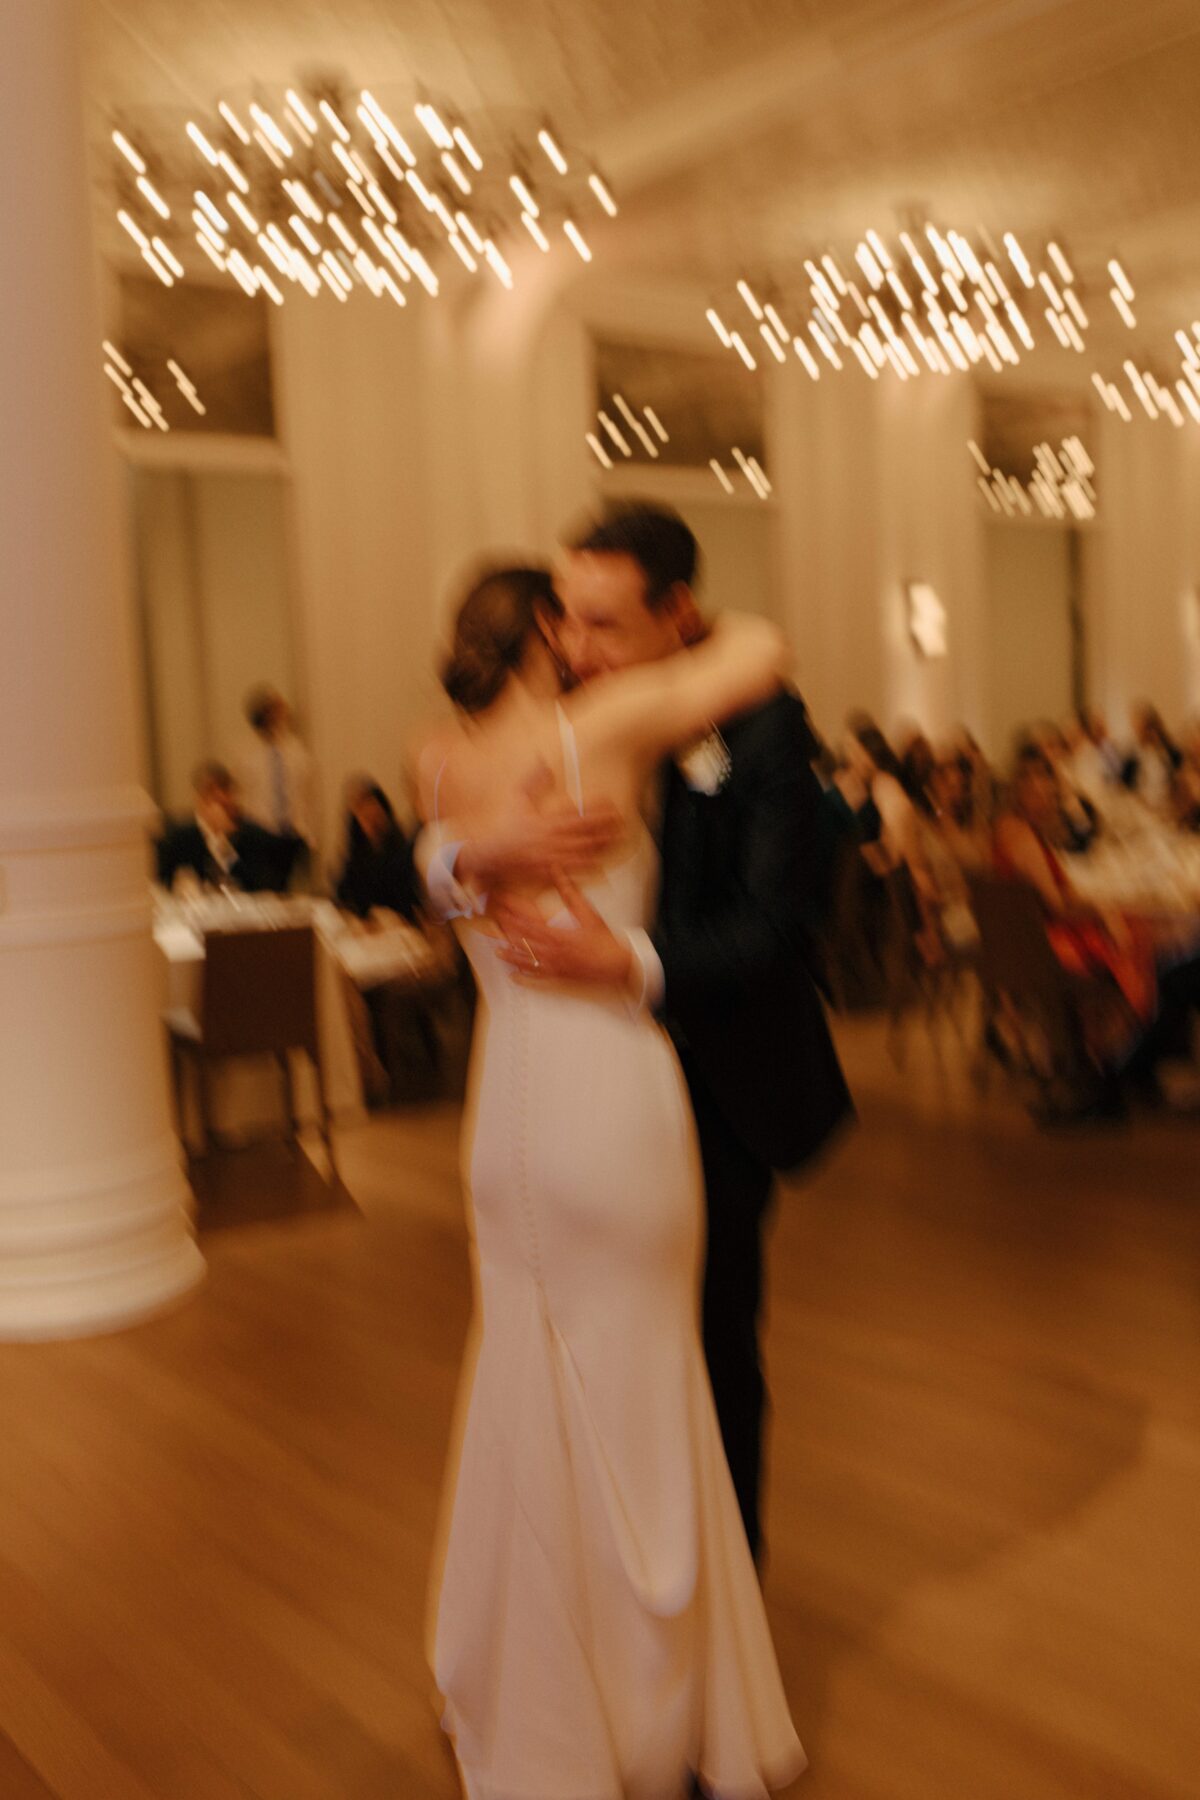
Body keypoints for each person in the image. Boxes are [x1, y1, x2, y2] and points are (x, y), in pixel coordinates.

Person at [418, 553, 810, 1797]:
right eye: (573, 619)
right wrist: (693, 622)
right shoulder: (605, 725)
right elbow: (764, 652)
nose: (590, 641)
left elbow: (434, 872)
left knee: (522, 1381)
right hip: (611, 1103)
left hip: (503, 1119)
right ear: (546, 629)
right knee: (648, 1386)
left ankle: (530, 1685)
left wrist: (471, 854)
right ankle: (656, 1703)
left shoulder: (438, 760)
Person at [155, 761, 286, 893]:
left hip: (241, 911)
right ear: (197, 797)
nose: (220, 797)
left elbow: (261, 885)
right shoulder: (180, 835)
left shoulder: (250, 833)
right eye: (210, 790)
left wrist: (223, 843)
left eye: (225, 789)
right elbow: (163, 882)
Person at [235, 684, 317, 879]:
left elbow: (309, 795)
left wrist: (311, 835)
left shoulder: (296, 750)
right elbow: (240, 795)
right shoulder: (244, 752)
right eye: (272, 710)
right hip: (260, 833)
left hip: (292, 833)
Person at [334, 776, 420, 922]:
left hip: (395, 928)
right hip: (365, 930)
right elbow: (344, 894)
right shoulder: (357, 852)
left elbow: (406, 903)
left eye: (374, 813)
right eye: (362, 815)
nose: (371, 821)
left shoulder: (402, 850)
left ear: (384, 812)